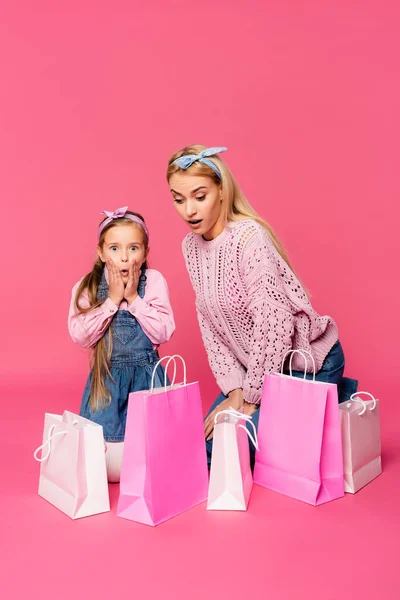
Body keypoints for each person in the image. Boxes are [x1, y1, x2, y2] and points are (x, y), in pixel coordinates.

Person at [166, 145, 357, 466]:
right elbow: (209, 322)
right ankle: (321, 405)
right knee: (208, 443)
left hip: (306, 364)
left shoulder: (248, 239)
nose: (189, 210)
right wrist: (233, 391)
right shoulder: (191, 247)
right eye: (178, 199)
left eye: (200, 196)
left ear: (222, 192)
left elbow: (274, 324)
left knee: (237, 451)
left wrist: (251, 401)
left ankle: (334, 392)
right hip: (260, 371)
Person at [68, 206, 175, 481]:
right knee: (108, 466)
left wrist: (134, 300)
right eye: (114, 248)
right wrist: (113, 301)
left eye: (133, 248)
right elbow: (81, 336)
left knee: (154, 457)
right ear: (101, 252)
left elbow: (163, 332)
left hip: (147, 380)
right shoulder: (87, 286)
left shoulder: (153, 281)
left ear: (145, 252)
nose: (124, 257)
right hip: (107, 383)